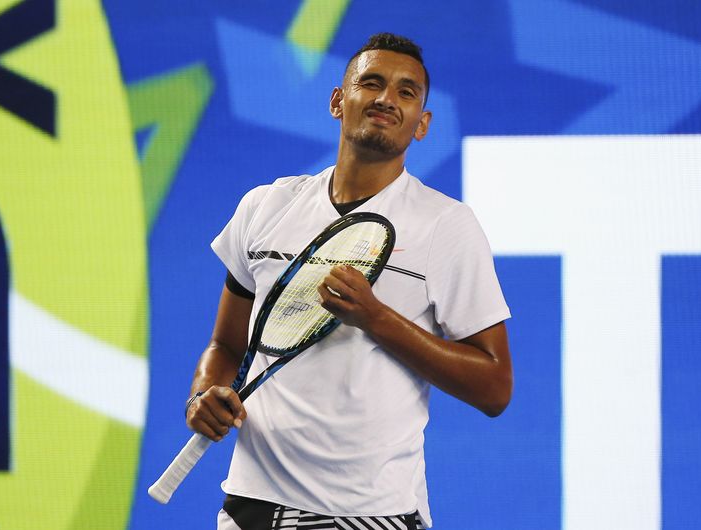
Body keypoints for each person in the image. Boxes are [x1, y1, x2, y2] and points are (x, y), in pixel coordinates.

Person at [186, 33, 513, 529]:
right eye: (372, 83)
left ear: (422, 124)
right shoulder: (266, 207)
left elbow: (494, 387)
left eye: (407, 93)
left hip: (371, 513)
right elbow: (226, 344)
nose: (386, 99)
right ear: (339, 101)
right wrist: (204, 394)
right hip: (255, 504)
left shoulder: (446, 225)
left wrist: (376, 318)